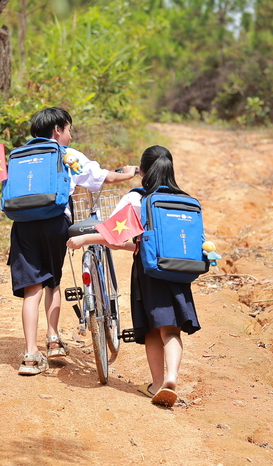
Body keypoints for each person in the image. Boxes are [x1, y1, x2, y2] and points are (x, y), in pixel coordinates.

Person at [66, 145, 201, 407]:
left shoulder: (137, 199)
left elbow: (115, 239)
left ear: (144, 171)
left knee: (151, 330)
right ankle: (172, 377)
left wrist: (84, 239)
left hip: (149, 271)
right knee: (171, 330)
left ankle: (156, 384)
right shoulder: (183, 200)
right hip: (180, 272)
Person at [9, 107, 138, 376]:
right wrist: (129, 173)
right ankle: (53, 339)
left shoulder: (20, 155)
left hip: (22, 225)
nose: (70, 135)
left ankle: (30, 355)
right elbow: (104, 177)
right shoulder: (66, 154)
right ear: (57, 129)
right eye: (69, 129)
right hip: (54, 221)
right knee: (52, 282)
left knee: (32, 289)